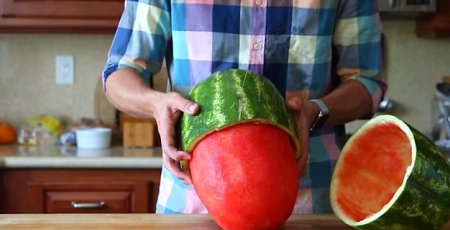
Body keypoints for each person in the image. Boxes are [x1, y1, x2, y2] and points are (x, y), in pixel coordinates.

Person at [103, 0, 386, 214]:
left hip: (309, 203)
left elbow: (368, 82)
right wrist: (156, 103)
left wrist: (316, 111)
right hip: (193, 205)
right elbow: (119, 72)